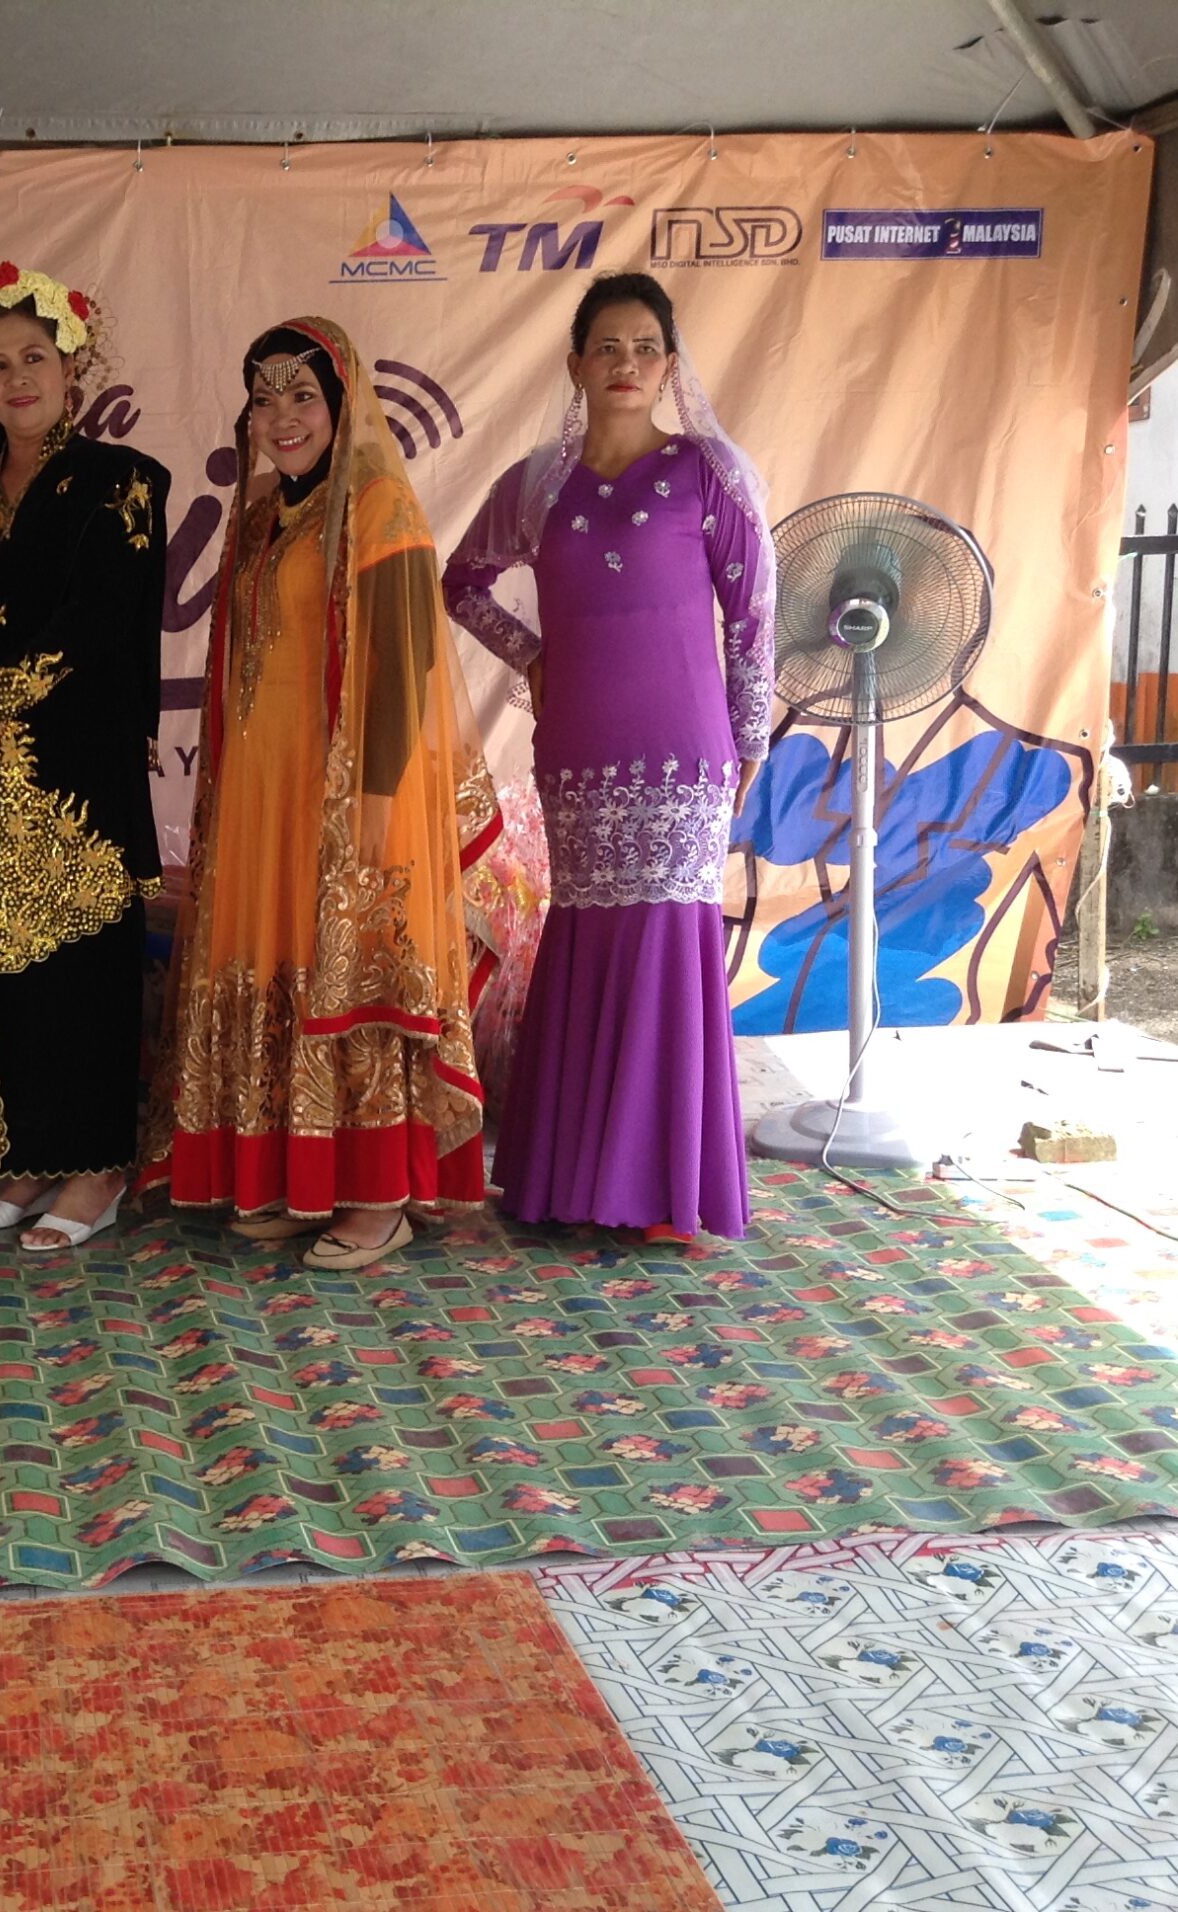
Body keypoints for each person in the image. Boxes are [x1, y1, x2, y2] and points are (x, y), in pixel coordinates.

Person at [141, 318, 499, 1271]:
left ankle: (378, 1201)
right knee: (278, 967)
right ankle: (301, 1186)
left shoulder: (376, 504)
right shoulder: (261, 512)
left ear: (342, 406)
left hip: (343, 794)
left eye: (303, 396)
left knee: (348, 976)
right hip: (262, 800)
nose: (283, 417)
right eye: (265, 400)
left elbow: (405, 659)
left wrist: (377, 801)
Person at [441, 270, 776, 1243]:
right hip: (580, 749)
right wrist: (531, 655)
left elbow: (752, 618)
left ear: (670, 366)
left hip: (685, 756)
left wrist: (748, 742)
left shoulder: (709, 472)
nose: (626, 364)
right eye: (607, 347)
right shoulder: (537, 486)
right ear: (576, 364)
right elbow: (460, 582)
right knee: (587, 934)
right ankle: (569, 1183)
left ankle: (667, 1194)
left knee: (669, 942)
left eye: (645, 348)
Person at [0, 263, 168, 1253]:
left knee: (78, 971)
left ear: (73, 370)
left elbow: (103, 615)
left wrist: (2, 696)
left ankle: (97, 1166)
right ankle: (29, 1160)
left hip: (73, 777)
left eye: (34, 358)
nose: (16, 378)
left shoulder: (120, 481)